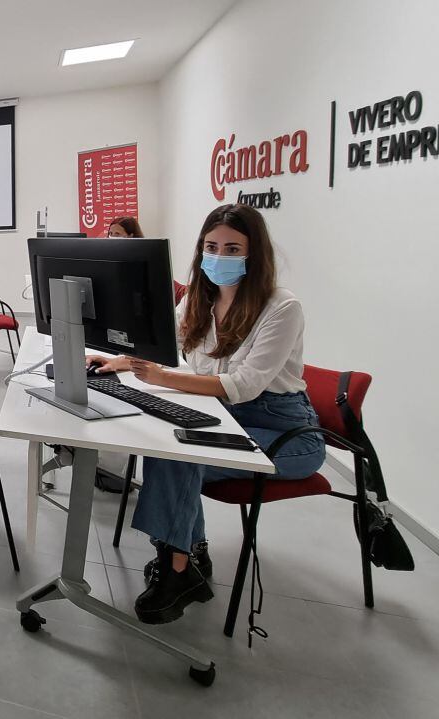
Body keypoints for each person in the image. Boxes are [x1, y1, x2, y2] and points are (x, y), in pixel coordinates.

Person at [89, 204, 325, 625]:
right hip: (225, 414)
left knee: (181, 456)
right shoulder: (200, 300)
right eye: (212, 247)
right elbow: (165, 345)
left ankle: (180, 569)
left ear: (256, 255)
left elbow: (243, 385)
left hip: (285, 431)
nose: (220, 256)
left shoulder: (281, 308)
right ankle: (184, 562)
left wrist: (162, 379)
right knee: (168, 450)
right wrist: (120, 361)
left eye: (233, 248)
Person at [106, 215, 186, 303]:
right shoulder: (107, 259)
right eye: (110, 233)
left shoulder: (143, 258)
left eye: (117, 234)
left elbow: (166, 284)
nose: (112, 237)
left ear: (130, 236)